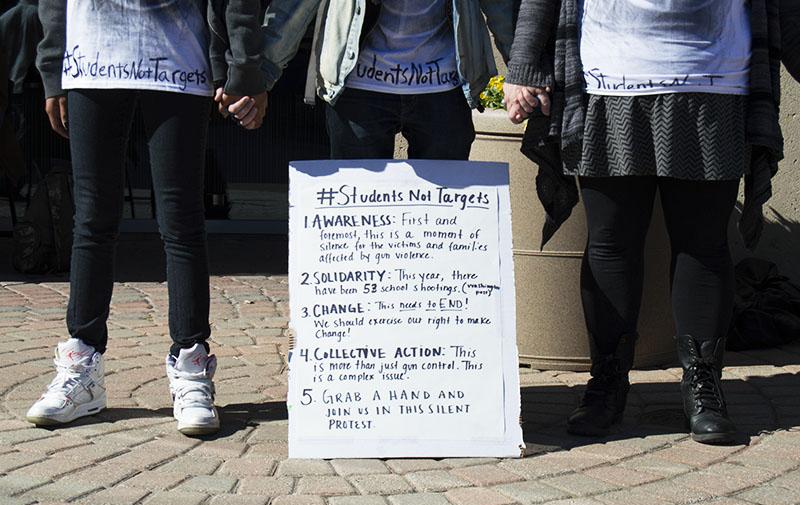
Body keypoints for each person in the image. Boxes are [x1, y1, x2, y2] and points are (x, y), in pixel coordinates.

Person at [504, 0, 799, 444]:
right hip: (609, 80)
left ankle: (703, 386)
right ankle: (606, 384)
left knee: (703, 243)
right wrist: (524, 66)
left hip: (714, 79)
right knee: (611, 242)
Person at [28, 0, 266, 435]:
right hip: (91, 60)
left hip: (179, 60)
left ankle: (192, 363)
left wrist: (244, 68)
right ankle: (82, 362)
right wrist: (51, 69)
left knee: (182, 221)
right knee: (93, 219)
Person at [259, 0, 516, 159]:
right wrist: (259, 76)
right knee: (357, 215)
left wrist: (520, 71)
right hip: (358, 88)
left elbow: (502, 7)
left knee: (442, 218)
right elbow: (292, 7)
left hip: (444, 88)